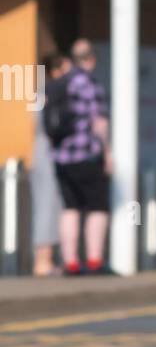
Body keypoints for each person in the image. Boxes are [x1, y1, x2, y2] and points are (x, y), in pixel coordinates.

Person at [51, 39, 112, 276]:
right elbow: (99, 122)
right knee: (97, 207)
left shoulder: (59, 85)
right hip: (85, 155)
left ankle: (71, 262)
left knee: (70, 208)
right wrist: (107, 151)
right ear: (91, 59)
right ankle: (95, 260)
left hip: (61, 157)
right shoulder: (89, 84)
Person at [31, 53, 71, 277]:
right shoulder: (48, 94)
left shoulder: (41, 93)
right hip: (49, 152)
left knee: (51, 204)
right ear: (56, 71)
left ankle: (46, 259)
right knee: (48, 204)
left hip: (44, 150)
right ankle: (43, 260)